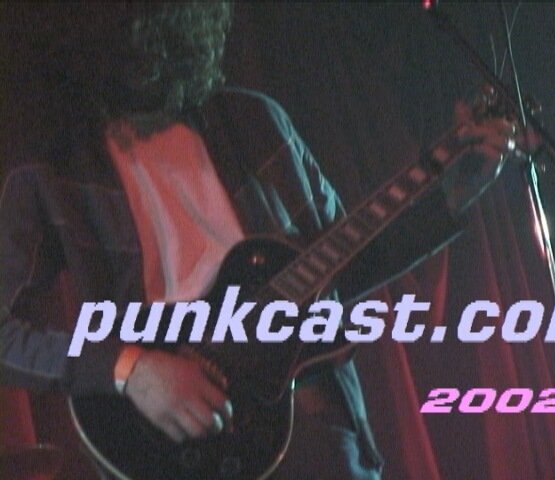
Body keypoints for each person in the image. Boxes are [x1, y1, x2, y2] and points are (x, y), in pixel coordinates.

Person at [0, 3, 521, 479]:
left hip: (315, 430)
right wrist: (131, 370)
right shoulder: (52, 170)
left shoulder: (257, 122)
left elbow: (346, 267)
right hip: (171, 448)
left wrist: (453, 193)